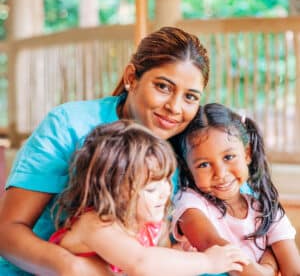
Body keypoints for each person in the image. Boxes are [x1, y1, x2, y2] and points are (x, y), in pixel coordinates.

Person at [0, 26, 211, 275]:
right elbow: (7, 231)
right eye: (163, 87)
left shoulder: (188, 146)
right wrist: (74, 268)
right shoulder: (69, 125)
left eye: (190, 97)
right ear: (131, 77)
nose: (175, 107)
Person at [47, 119, 249, 276]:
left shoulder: (149, 223)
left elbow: (158, 262)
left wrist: (182, 255)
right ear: (114, 191)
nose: (164, 192)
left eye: (167, 181)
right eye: (151, 189)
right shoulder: (95, 224)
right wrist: (207, 262)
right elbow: (141, 263)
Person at [170, 103, 300, 276]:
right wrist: (267, 269)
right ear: (187, 168)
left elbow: (294, 269)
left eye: (229, 157)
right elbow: (215, 246)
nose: (220, 174)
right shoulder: (188, 203)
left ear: (247, 154)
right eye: (204, 164)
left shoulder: (266, 209)